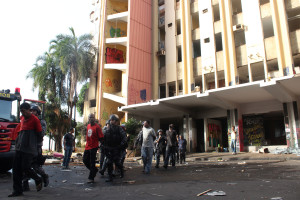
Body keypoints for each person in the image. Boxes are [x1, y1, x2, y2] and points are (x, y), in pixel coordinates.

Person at [8, 103, 43, 197]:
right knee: (16, 170)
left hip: (29, 149)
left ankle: (38, 178)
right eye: (21, 111)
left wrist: (36, 147)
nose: (23, 113)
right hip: (19, 148)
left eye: (24, 111)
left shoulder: (35, 120)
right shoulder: (22, 118)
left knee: (25, 168)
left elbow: (40, 135)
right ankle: (17, 190)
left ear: (29, 110)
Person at [22, 105, 49, 191]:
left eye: (34, 111)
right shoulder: (27, 120)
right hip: (27, 147)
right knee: (26, 165)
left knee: (36, 166)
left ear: (37, 113)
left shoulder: (41, 122)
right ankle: (25, 184)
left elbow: (42, 133)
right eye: (31, 111)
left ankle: (44, 176)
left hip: (36, 147)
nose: (32, 112)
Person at [103, 114, 127, 182]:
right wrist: (103, 145)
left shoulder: (119, 128)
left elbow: (124, 138)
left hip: (117, 148)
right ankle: (110, 177)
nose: (111, 121)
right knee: (109, 163)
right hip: (109, 148)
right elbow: (104, 138)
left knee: (117, 162)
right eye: (110, 120)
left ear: (116, 121)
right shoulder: (107, 129)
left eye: (112, 120)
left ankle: (121, 171)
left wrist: (120, 145)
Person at [83, 113, 104, 183]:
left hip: (94, 147)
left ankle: (91, 177)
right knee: (85, 160)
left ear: (94, 118)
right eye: (89, 117)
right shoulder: (88, 126)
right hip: (87, 147)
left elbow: (101, 137)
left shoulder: (97, 127)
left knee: (92, 162)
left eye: (92, 117)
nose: (90, 119)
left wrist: (101, 146)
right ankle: (94, 170)